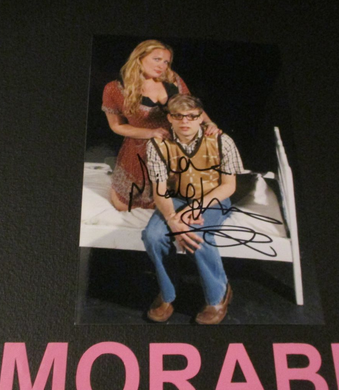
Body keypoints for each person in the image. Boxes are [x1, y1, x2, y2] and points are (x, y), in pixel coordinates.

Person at [142, 94, 244, 325]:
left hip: (213, 198)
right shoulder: (157, 145)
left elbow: (229, 186)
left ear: (200, 118)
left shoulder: (221, 141)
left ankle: (218, 295)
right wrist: (172, 218)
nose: (185, 121)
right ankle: (168, 293)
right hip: (178, 198)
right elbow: (160, 190)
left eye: (191, 116)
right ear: (170, 118)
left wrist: (196, 207)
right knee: (153, 235)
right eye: (178, 116)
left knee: (197, 233)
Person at [102, 40, 218, 211]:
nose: (162, 66)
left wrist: (209, 122)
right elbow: (117, 126)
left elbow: (192, 108)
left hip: (177, 147)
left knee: (184, 197)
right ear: (139, 58)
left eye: (166, 62)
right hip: (141, 148)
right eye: (157, 59)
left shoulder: (172, 79)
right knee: (125, 205)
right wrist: (151, 133)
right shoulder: (114, 88)